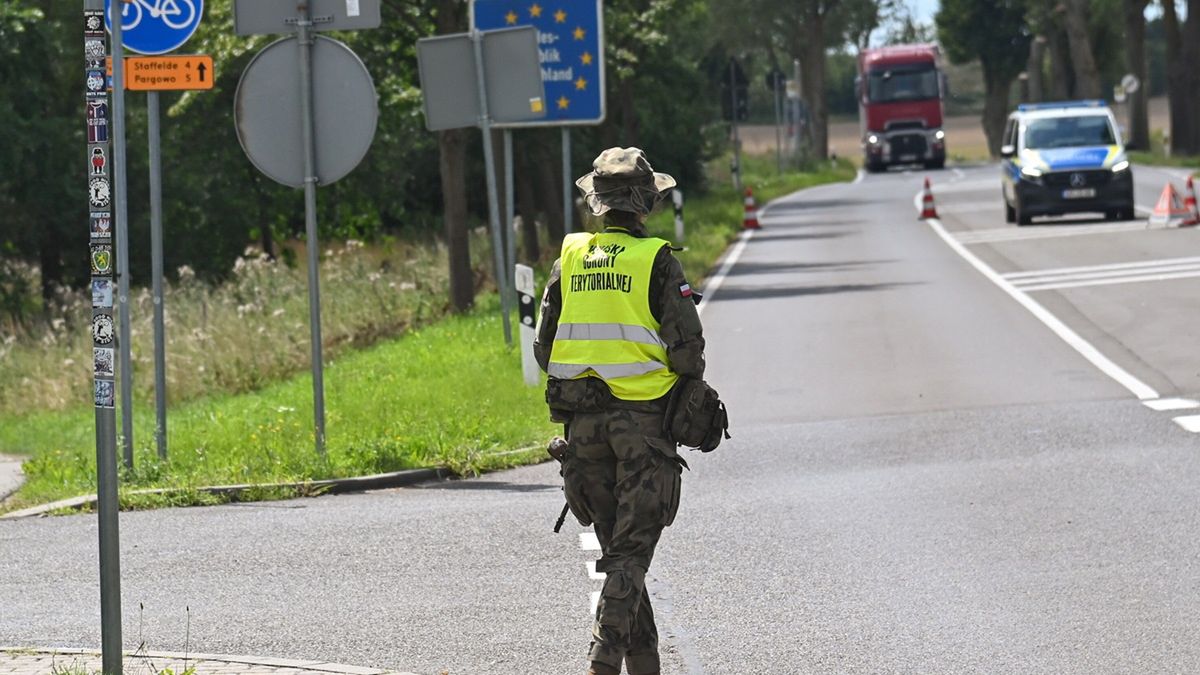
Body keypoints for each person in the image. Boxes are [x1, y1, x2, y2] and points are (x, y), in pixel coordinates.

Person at [534, 147, 706, 675]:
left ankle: (645, 663)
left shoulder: (571, 258)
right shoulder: (656, 260)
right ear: (647, 203)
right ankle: (603, 660)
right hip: (644, 430)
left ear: (599, 204)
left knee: (620, 555)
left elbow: (544, 349)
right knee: (630, 554)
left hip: (582, 430)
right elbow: (687, 353)